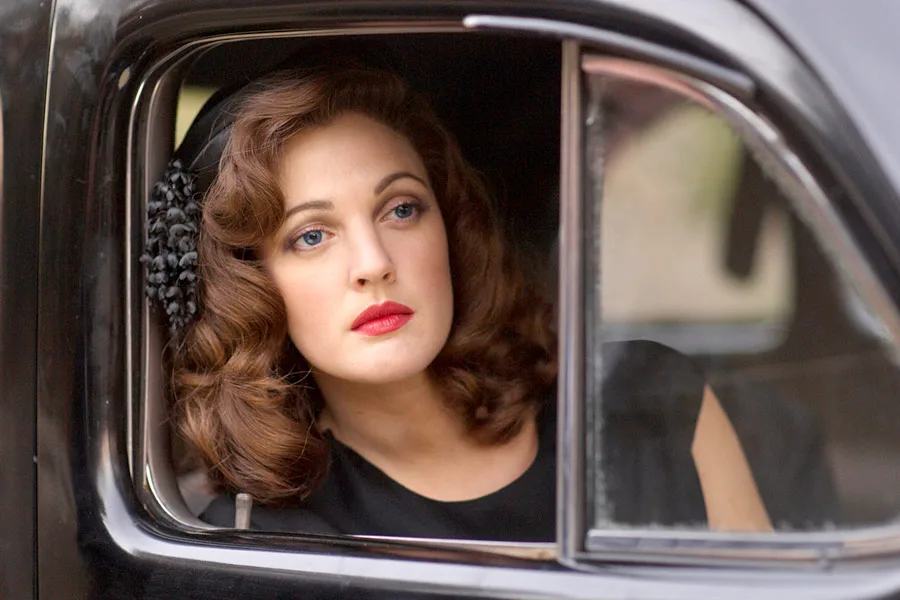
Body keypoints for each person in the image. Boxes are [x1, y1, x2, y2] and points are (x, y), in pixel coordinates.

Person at [144, 61, 773, 541]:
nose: (374, 263)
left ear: (450, 227)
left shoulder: (651, 402)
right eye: (311, 236)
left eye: (401, 209)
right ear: (249, 288)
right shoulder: (261, 538)